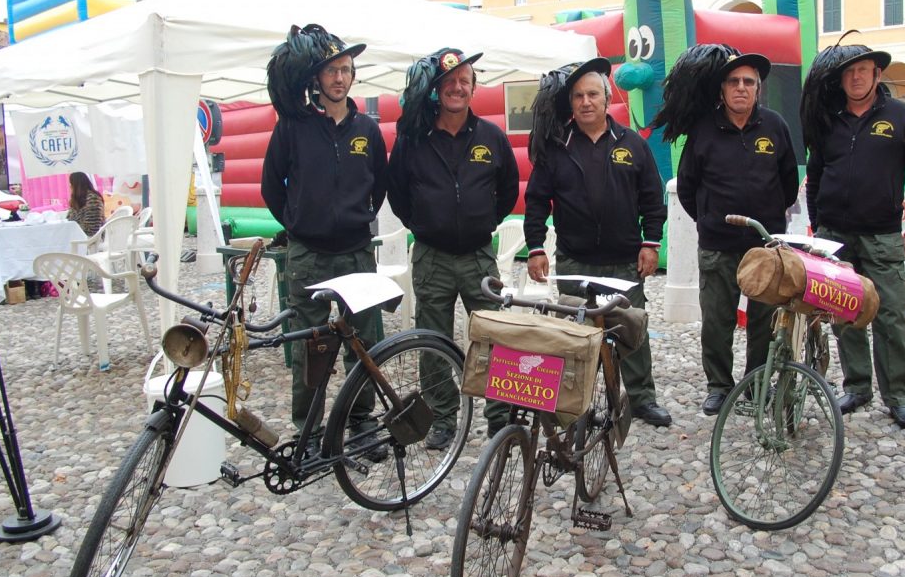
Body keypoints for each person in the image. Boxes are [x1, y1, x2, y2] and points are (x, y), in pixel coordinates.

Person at [523, 58, 671, 427]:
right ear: (570, 103)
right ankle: (577, 403)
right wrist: (536, 247)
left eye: (593, 94)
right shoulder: (556, 148)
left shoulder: (632, 144)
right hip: (575, 261)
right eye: (578, 96)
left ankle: (641, 399)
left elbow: (653, 198)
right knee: (575, 336)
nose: (586, 102)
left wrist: (651, 243)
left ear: (607, 99)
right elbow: (537, 201)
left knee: (630, 330)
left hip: (624, 261)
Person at [651, 44, 798, 417]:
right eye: (733, 81)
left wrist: (768, 217)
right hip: (718, 246)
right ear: (722, 89)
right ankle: (719, 386)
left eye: (749, 81)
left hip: (765, 247)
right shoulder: (704, 131)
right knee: (717, 321)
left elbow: (789, 184)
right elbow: (687, 186)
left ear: (758, 89)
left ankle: (756, 383)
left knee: (763, 321)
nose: (741, 88)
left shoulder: (775, 127)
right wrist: (710, 219)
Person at [260, 24, 387, 450]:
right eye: (331, 70)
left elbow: (380, 185)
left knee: (364, 343)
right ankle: (309, 430)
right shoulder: (293, 126)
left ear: (353, 76)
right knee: (310, 348)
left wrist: (357, 217)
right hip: (309, 256)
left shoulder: (367, 130)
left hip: (356, 254)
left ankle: (362, 423)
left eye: (346, 70)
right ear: (317, 78)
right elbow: (270, 187)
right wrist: (298, 222)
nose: (339, 78)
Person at [386, 47, 519, 448]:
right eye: (449, 82)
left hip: (479, 255)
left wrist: (483, 222)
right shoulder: (413, 139)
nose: (457, 88)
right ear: (436, 89)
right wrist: (426, 224)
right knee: (432, 341)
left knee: (493, 336)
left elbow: (508, 191)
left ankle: (499, 417)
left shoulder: (491, 136)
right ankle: (442, 418)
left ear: (474, 88)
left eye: (465, 81)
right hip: (432, 257)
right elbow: (397, 194)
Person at [800, 40, 905, 429]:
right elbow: (816, 176)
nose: (856, 77)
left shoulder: (900, 116)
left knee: (890, 316)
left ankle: (897, 395)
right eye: (849, 71)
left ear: (877, 75)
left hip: (882, 235)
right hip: (836, 236)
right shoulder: (829, 120)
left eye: (864, 70)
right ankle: (857, 386)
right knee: (845, 314)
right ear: (841, 79)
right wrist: (817, 227)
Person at [66, 172, 105, 237]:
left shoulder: (93, 199)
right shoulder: (77, 199)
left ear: (76, 185)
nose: (70, 186)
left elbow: (92, 229)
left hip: (90, 239)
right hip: (78, 235)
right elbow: (69, 219)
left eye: (71, 184)